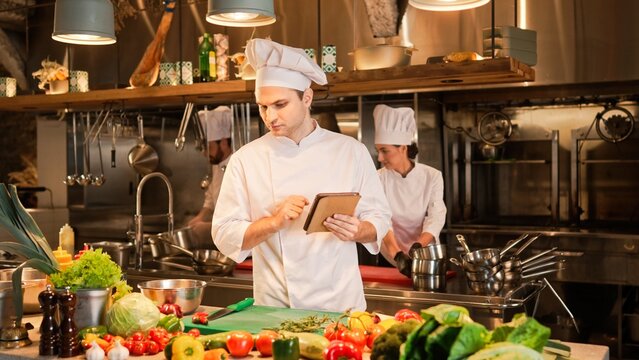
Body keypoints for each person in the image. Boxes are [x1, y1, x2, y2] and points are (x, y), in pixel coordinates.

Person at [211, 38, 392, 312]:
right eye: (263, 106)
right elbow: (224, 235)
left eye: (280, 104)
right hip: (275, 310)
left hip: (340, 308)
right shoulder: (245, 160)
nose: (270, 116)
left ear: (307, 98)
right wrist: (273, 222)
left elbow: (379, 218)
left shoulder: (350, 152)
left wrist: (358, 230)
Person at [373, 104, 447, 277]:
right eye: (378, 151)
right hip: (390, 254)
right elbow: (380, 218)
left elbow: (435, 217)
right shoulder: (377, 178)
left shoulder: (432, 176)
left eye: (385, 151)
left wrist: (417, 246)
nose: (380, 158)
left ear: (403, 148)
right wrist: (397, 254)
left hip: (425, 253)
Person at [188, 106, 233, 244]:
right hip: (222, 240)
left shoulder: (239, 165)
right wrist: (200, 217)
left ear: (224, 142)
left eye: (209, 147)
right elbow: (211, 199)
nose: (204, 154)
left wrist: (207, 228)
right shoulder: (216, 165)